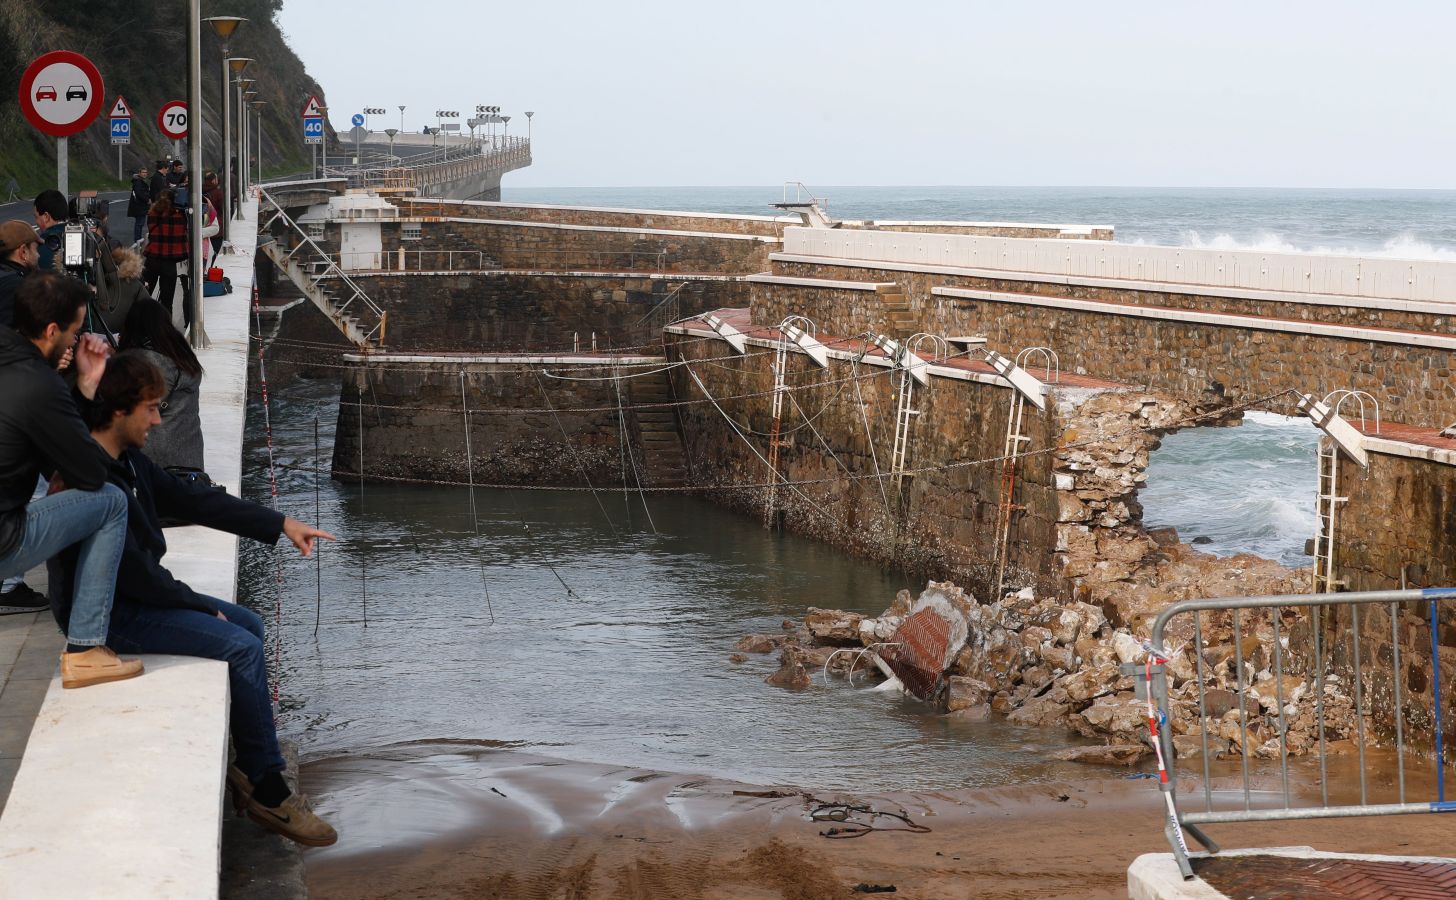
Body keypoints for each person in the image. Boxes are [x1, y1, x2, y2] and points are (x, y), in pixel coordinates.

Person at [52, 350, 337, 844]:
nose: (158, 421)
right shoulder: (93, 479)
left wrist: (281, 524)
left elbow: (195, 500)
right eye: (150, 408)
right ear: (119, 411)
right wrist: (202, 607)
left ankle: (250, 761)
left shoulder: (129, 462)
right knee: (240, 644)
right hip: (109, 617)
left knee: (250, 625)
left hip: (134, 599)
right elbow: (139, 579)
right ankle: (268, 790)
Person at [0, 274, 140, 686]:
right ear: (50, 331)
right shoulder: (38, 384)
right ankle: (85, 649)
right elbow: (90, 473)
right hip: (5, 538)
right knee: (111, 502)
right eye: (75, 331)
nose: (76, 341)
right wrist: (86, 386)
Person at [119, 298, 202, 471]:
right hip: (189, 459)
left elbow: (134, 411)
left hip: (157, 462)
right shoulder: (180, 353)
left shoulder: (147, 360)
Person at [144, 189, 190, 327]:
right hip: (170, 263)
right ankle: (165, 328)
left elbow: (151, 231)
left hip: (152, 259)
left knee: (144, 295)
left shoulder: (153, 213)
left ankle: (143, 325)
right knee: (167, 301)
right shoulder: (181, 215)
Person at [97, 246, 147, 336]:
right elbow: (150, 316)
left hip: (92, 339)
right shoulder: (134, 285)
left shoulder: (133, 286)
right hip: (123, 340)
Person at [0, 220, 39, 325]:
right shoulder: (16, 286)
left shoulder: (6, 275)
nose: (38, 255)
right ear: (23, 251)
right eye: (35, 249)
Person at [32, 189, 67, 273]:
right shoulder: (87, 238)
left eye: (36, 217)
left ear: (46, 217)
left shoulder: (36, 248)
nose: (36, 222)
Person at [203, 171, 226, 260]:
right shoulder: (218, 193)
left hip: (203, 225)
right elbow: (223, 209)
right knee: (216, 251)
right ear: (213, 181)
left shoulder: (200, 190)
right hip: (215, 226)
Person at [128, 165, 151, 245]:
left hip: (141, 206)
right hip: (139, 206)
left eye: (146, 172)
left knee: (140, 223)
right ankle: (137, 240)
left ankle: (138, 240)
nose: (145, 174)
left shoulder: (140, 181)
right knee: (139, 223)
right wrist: (147, 200)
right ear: (139, 173)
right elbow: (139, 193)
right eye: (143, 172)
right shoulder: (138, 182)